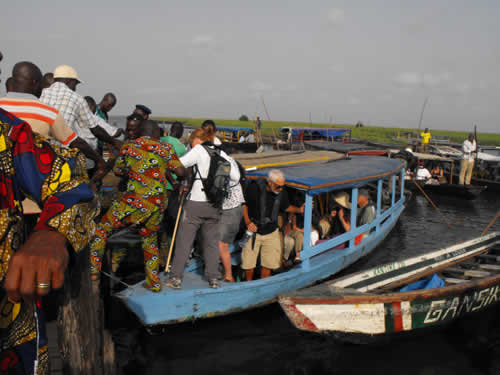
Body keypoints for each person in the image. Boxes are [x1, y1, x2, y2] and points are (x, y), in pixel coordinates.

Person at [0, 50, 98, 373]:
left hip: (30, 209)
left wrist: (53, 233)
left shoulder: (9, 127)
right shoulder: (44, 110)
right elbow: (74, 147)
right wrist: (103, 156)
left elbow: (66, 177)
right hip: (35, 207)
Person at [90, 120, 184, 292]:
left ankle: (94, 271)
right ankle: (154, 283)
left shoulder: (129, 147)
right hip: (156, 205)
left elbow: (118, 171)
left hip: (132, 202)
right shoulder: (165, 148)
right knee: (149, 241)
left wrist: (133, 168)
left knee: (102, 229)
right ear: (156, 133)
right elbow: (180, 172)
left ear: (141, 131)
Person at [0, 61, 107, 188]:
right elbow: (76, 142)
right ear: (35, 83)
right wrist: (100, 160)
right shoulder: (48, 113)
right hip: (32, 187)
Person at [165, 127, 240, 289]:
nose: (191, 145)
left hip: (196, 203)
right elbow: (236, 177)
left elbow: (178, 165)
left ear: (197, 140)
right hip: (215, 204)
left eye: (192, 142)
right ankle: (213, 279)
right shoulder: (222, 153)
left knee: (185, 241)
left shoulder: (198, 150)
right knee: (212, 242)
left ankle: (175, 278)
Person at [40, 65, 122, 157]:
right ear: (68, 80)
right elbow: (95, 129)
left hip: (38, 151)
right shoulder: (77, 99)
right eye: (75, 84)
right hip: (61, 155)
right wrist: (114, 142)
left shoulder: (40, 94)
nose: (75, 88)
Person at [240, 169, 304, 281]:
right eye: (278, 186)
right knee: (248, 266)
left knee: (268, 265)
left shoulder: (281, 192)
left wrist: (299, 210)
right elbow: (243, 204)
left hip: (271, 231)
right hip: (253, 231)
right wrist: (248, 222)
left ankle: (263, 285)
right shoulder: (254, 188)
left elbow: (286, 207)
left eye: (282, 186)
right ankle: (248, 285)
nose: (280, 189)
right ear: (270, 182)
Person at [218, 159, 246, 282]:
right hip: (225, 211)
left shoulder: (233, 179)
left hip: (231, 211)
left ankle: (229, 275)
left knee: (221, 244)